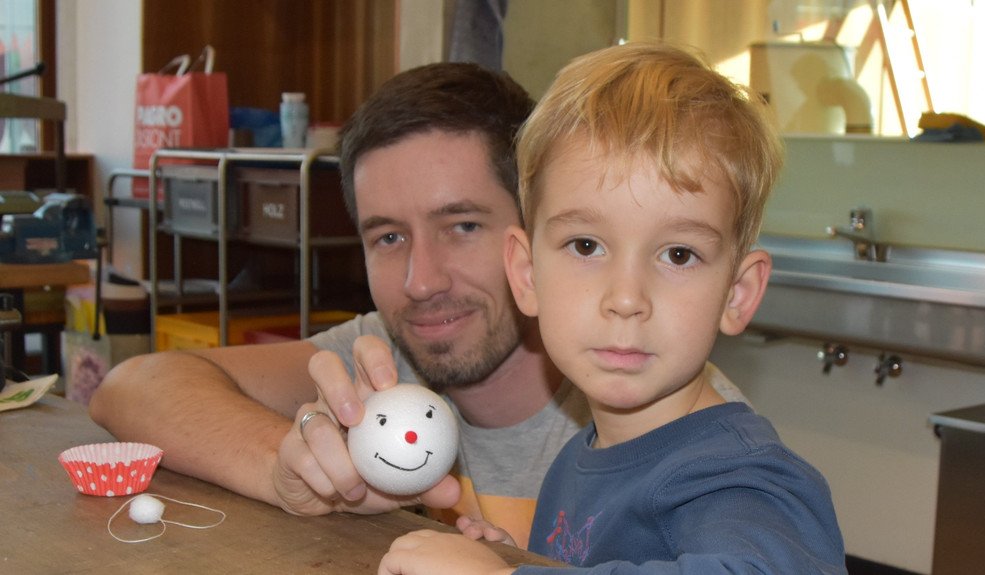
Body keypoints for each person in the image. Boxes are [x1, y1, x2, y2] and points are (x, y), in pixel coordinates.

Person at [90, 60, 746, 548]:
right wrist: (295, 470)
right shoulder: (388, 358)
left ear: (531, 244)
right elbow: (134, 385)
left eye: (462, 225)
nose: (421, 281)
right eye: (388, 237)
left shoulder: (653, 409)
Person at [378, 43, 847, 575]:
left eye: (678, 254)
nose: (626, 298)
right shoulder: (577, 460)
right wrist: (512, 558)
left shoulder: (736, 480)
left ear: (737, 293)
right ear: (527, 274)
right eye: (586, 246)